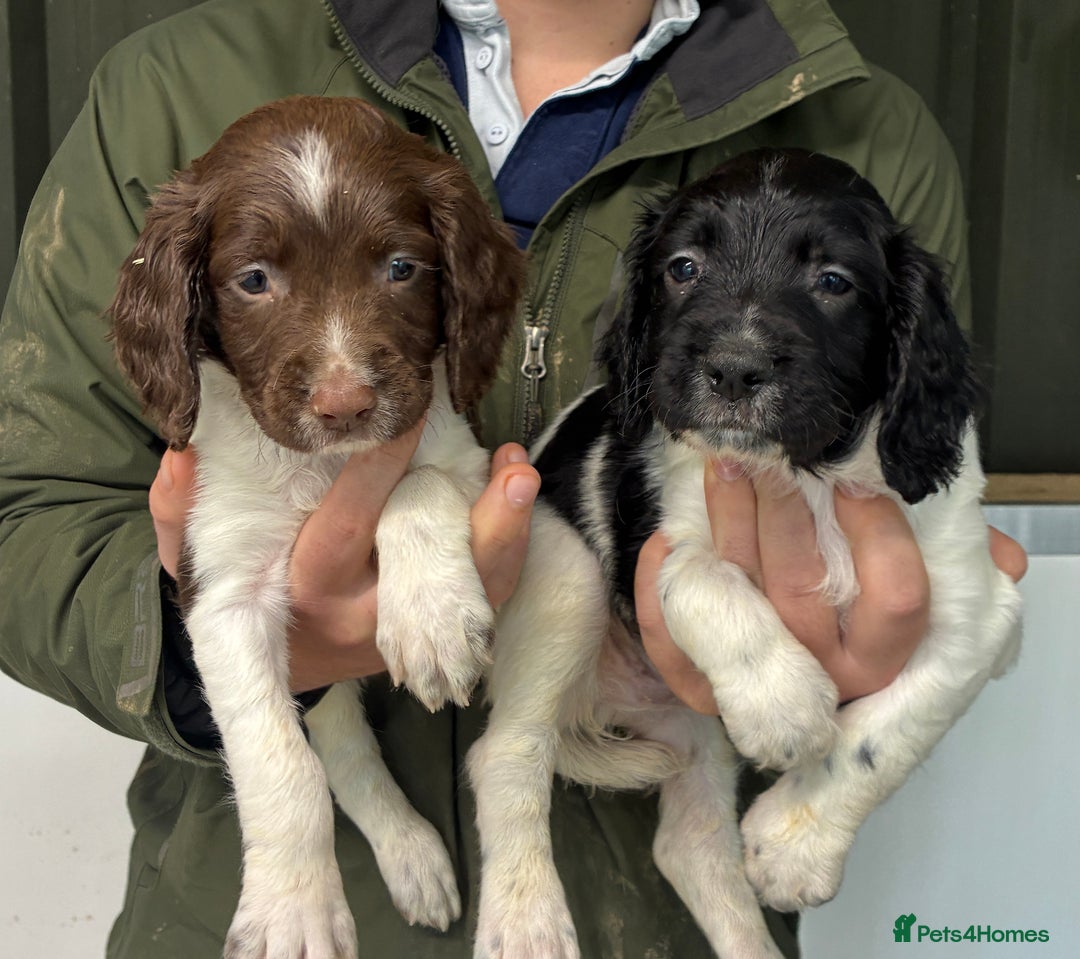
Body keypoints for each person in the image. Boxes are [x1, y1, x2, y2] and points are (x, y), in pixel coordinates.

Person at [0, 0, 1026, 956]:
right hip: (256, 905)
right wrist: (208, 647)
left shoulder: (865, 125)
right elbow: (26, 515)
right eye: (258, 279)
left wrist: (864, 673)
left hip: (653, 910)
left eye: (401, 268)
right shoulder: (167, 85)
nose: (344, 383)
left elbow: (918, 486)